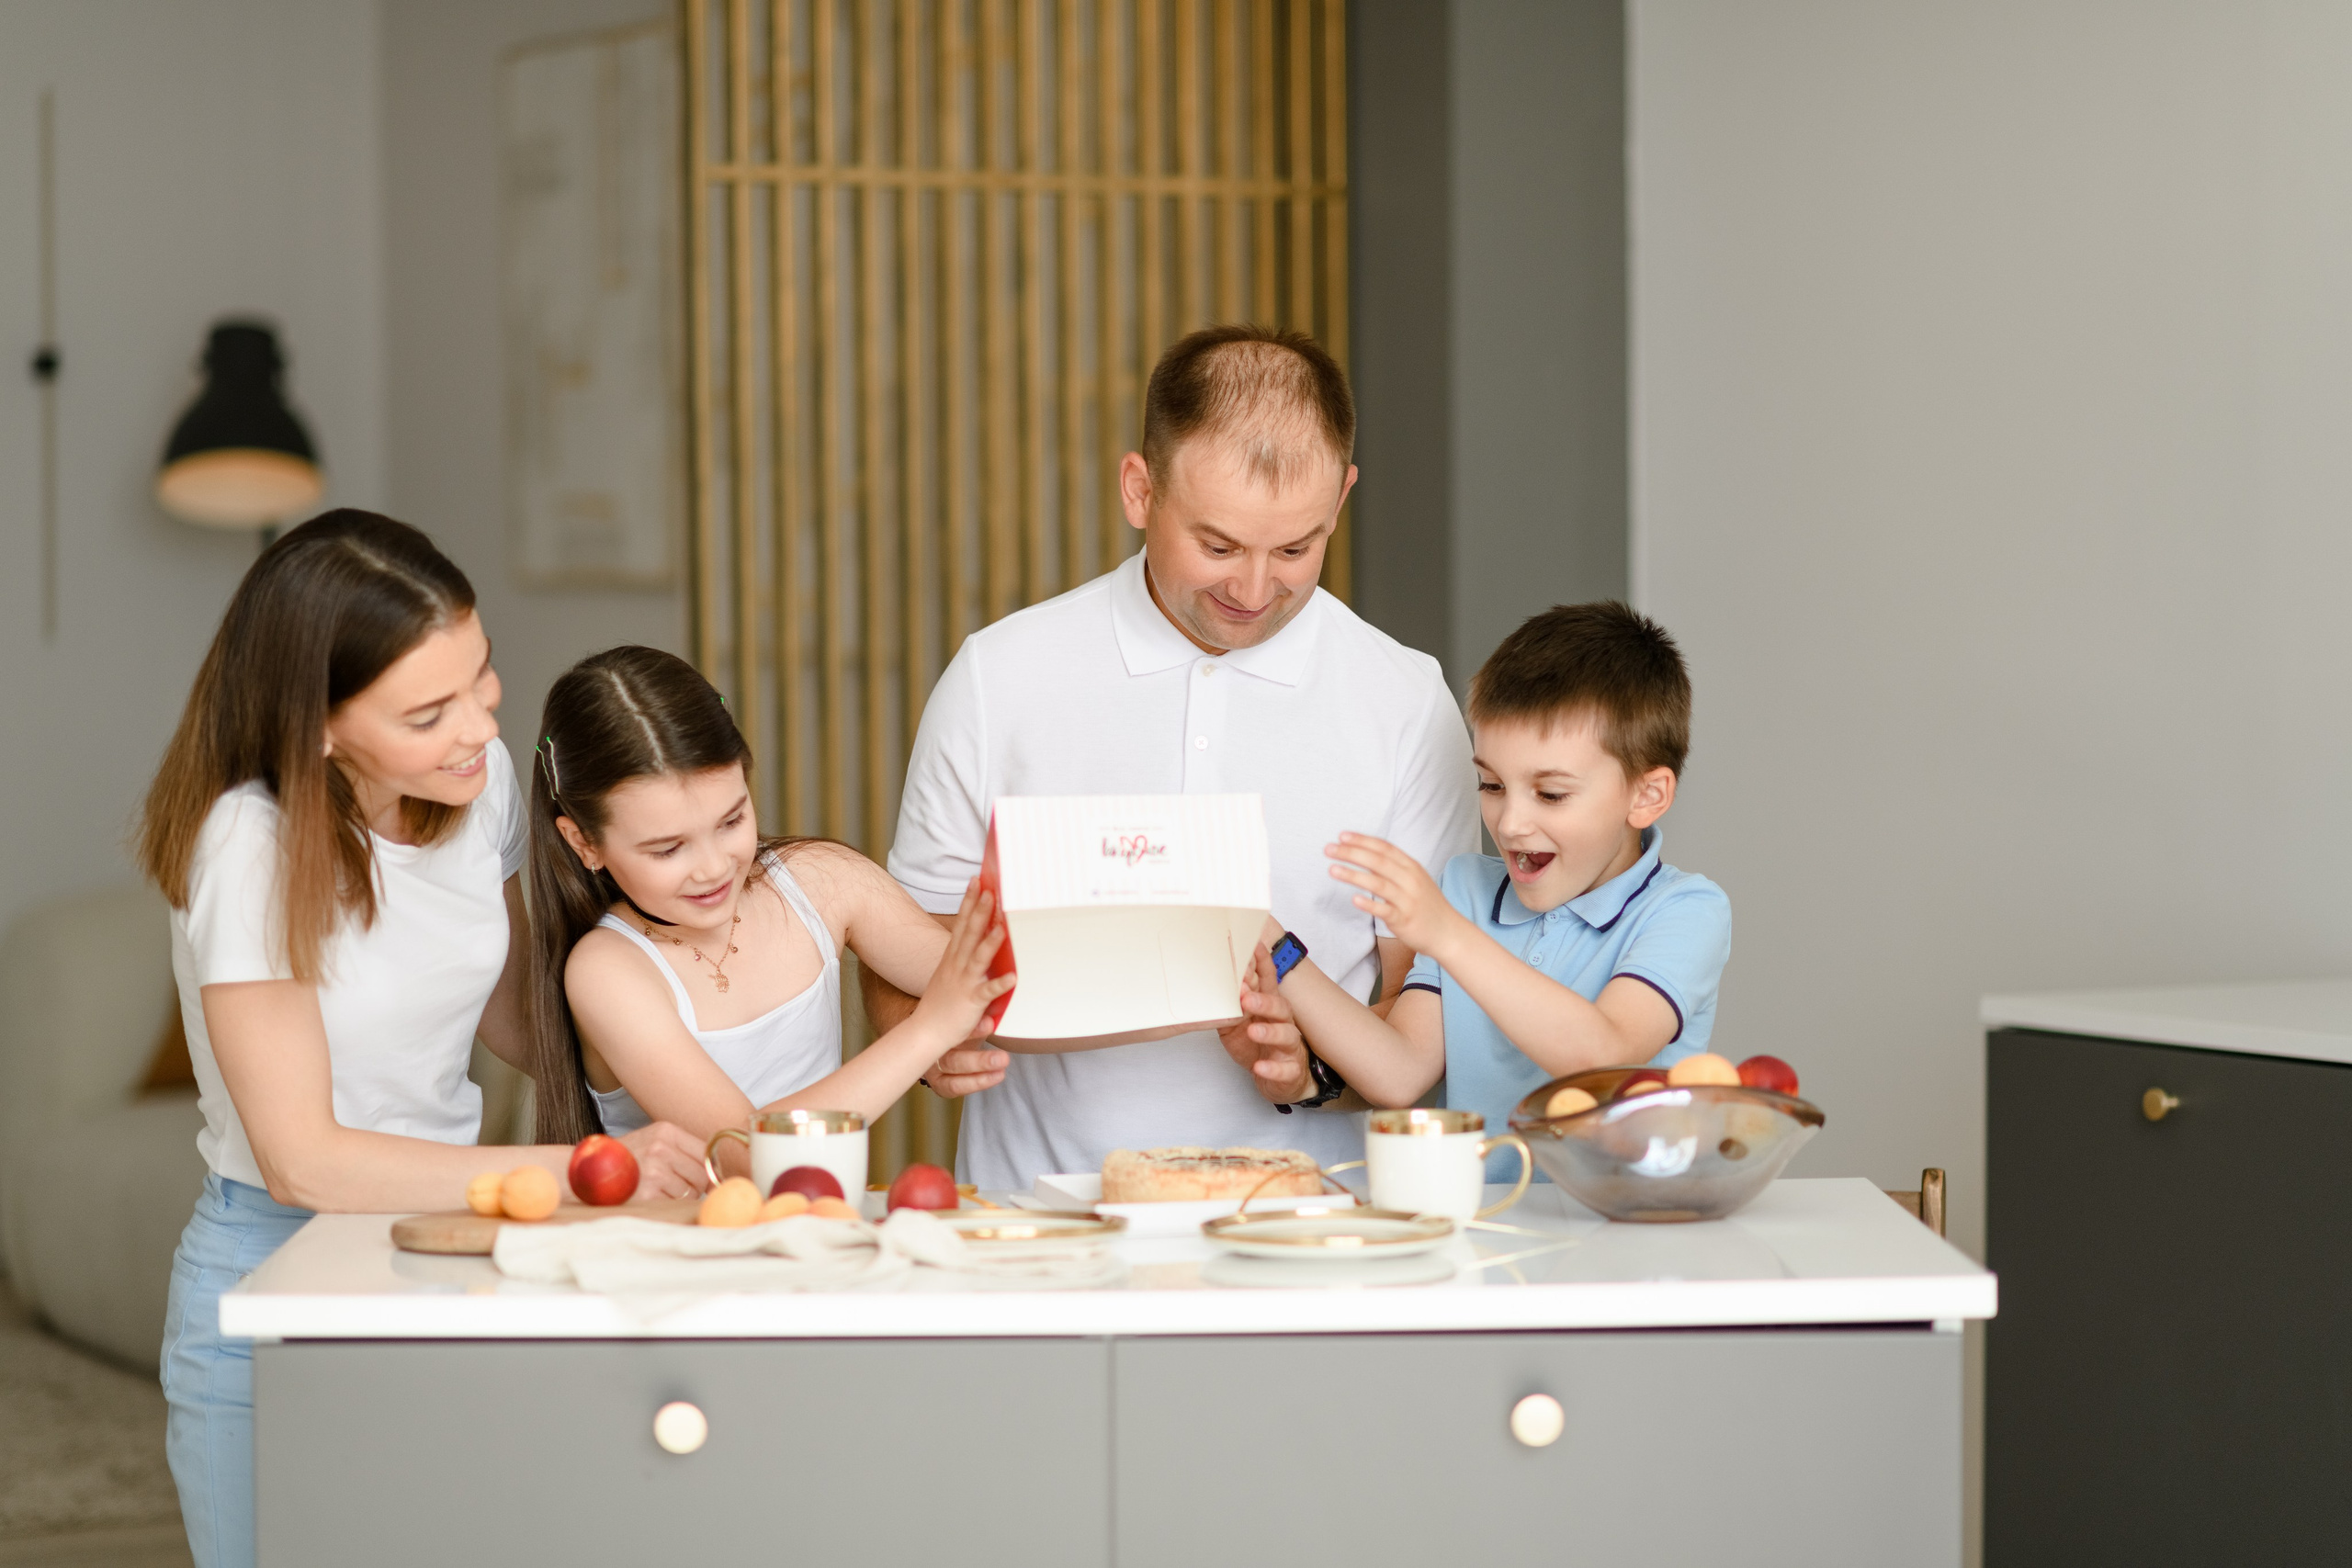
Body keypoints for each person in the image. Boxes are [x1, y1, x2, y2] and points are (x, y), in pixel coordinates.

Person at [138, 512, 709, 1568]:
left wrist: (671, 1084)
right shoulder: (247, 849)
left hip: (449, 1248)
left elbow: (496, 1007)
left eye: (481, 676)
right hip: (275, 1257)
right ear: (316, 726)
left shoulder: (476, 786)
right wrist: (573, 1171)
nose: (478, 728)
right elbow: (302, 1159)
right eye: (427, 712)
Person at [872, 325, 1478, 1190]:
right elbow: (905, 945)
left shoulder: (1406, 701)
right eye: (1219, 545)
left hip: (1309, 1226)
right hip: (1038, 1219)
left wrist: (1316, 1075)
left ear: (1342, 498)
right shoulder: (999, 676)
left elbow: (1422, 1007)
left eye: (1296, 548)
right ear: (1139, 488)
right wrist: (928, 1047)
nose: (1254, 587)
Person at [1267, 602, 1734, 1177]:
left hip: (1624, 1245)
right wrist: (1272, 947)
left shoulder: (1684, 911)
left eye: (1551, 793)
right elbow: (1399, 1074)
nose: (1509, 822)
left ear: (1647, 796)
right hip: (1482, 1233)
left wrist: (1448, 936)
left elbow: (1602, 1055)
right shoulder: (1465, 889)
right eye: (1490, 783)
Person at [523, 646, 1012, 1152]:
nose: (714, 867)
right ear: (584, 843)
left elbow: (999, 981)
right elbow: (747, 1153)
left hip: (821, 1226)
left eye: (732, 821)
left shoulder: (822, 880)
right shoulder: (608, 971)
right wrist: (925, 1034)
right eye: (668, 849)